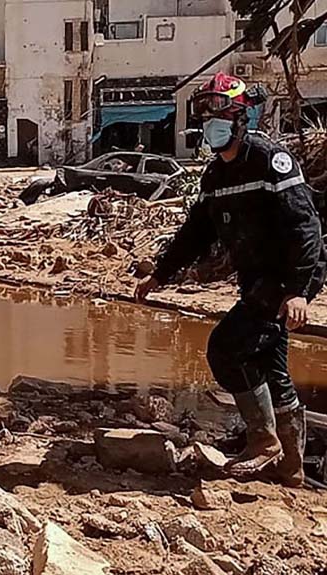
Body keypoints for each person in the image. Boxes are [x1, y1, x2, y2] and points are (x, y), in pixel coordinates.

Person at [136, 73, 324, 487]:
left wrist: (297, 292)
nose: (212, 126)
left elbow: (305, 229)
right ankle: (291, 468)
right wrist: (161, 276)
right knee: (270, 367)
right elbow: (195, 234)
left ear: (242, 120)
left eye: (222, 117)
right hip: (256, 277)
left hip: (284, 275)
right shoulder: (215, 177)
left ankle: (264, 440)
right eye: (207, 118)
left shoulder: (270, 161)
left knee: (225, 348)